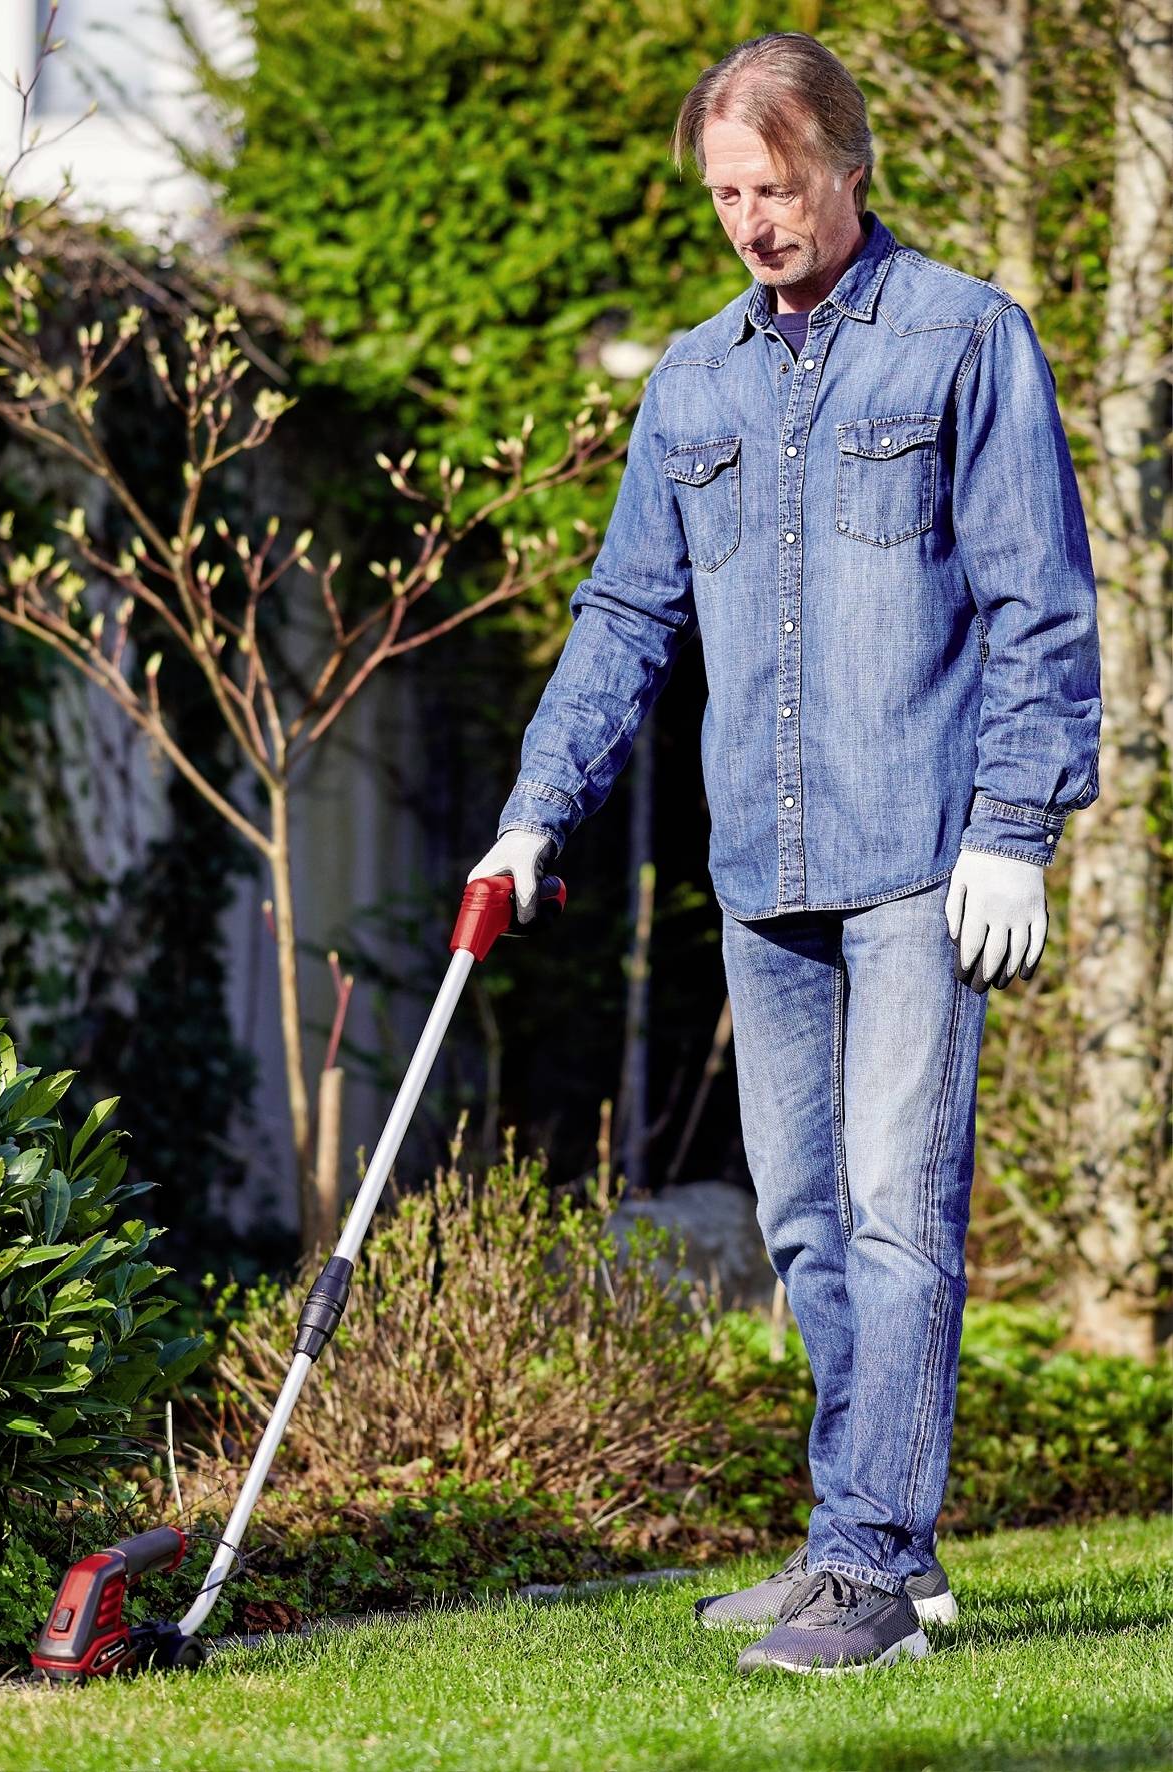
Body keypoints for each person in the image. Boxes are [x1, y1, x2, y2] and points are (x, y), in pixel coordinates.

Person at [469, 31, 1102, 1675]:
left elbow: (1040, 604)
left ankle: (870, 1565)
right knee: (810, 1222)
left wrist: (1017, 828)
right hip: (764, 866)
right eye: (729, 195)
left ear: (849, 166)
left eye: (778, 186)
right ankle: (873, 1546)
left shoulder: (965, 339)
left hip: (919, 857)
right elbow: (626, 614)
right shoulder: (696, 378)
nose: (754, 222)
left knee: (899, 1210)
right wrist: (539, 808)